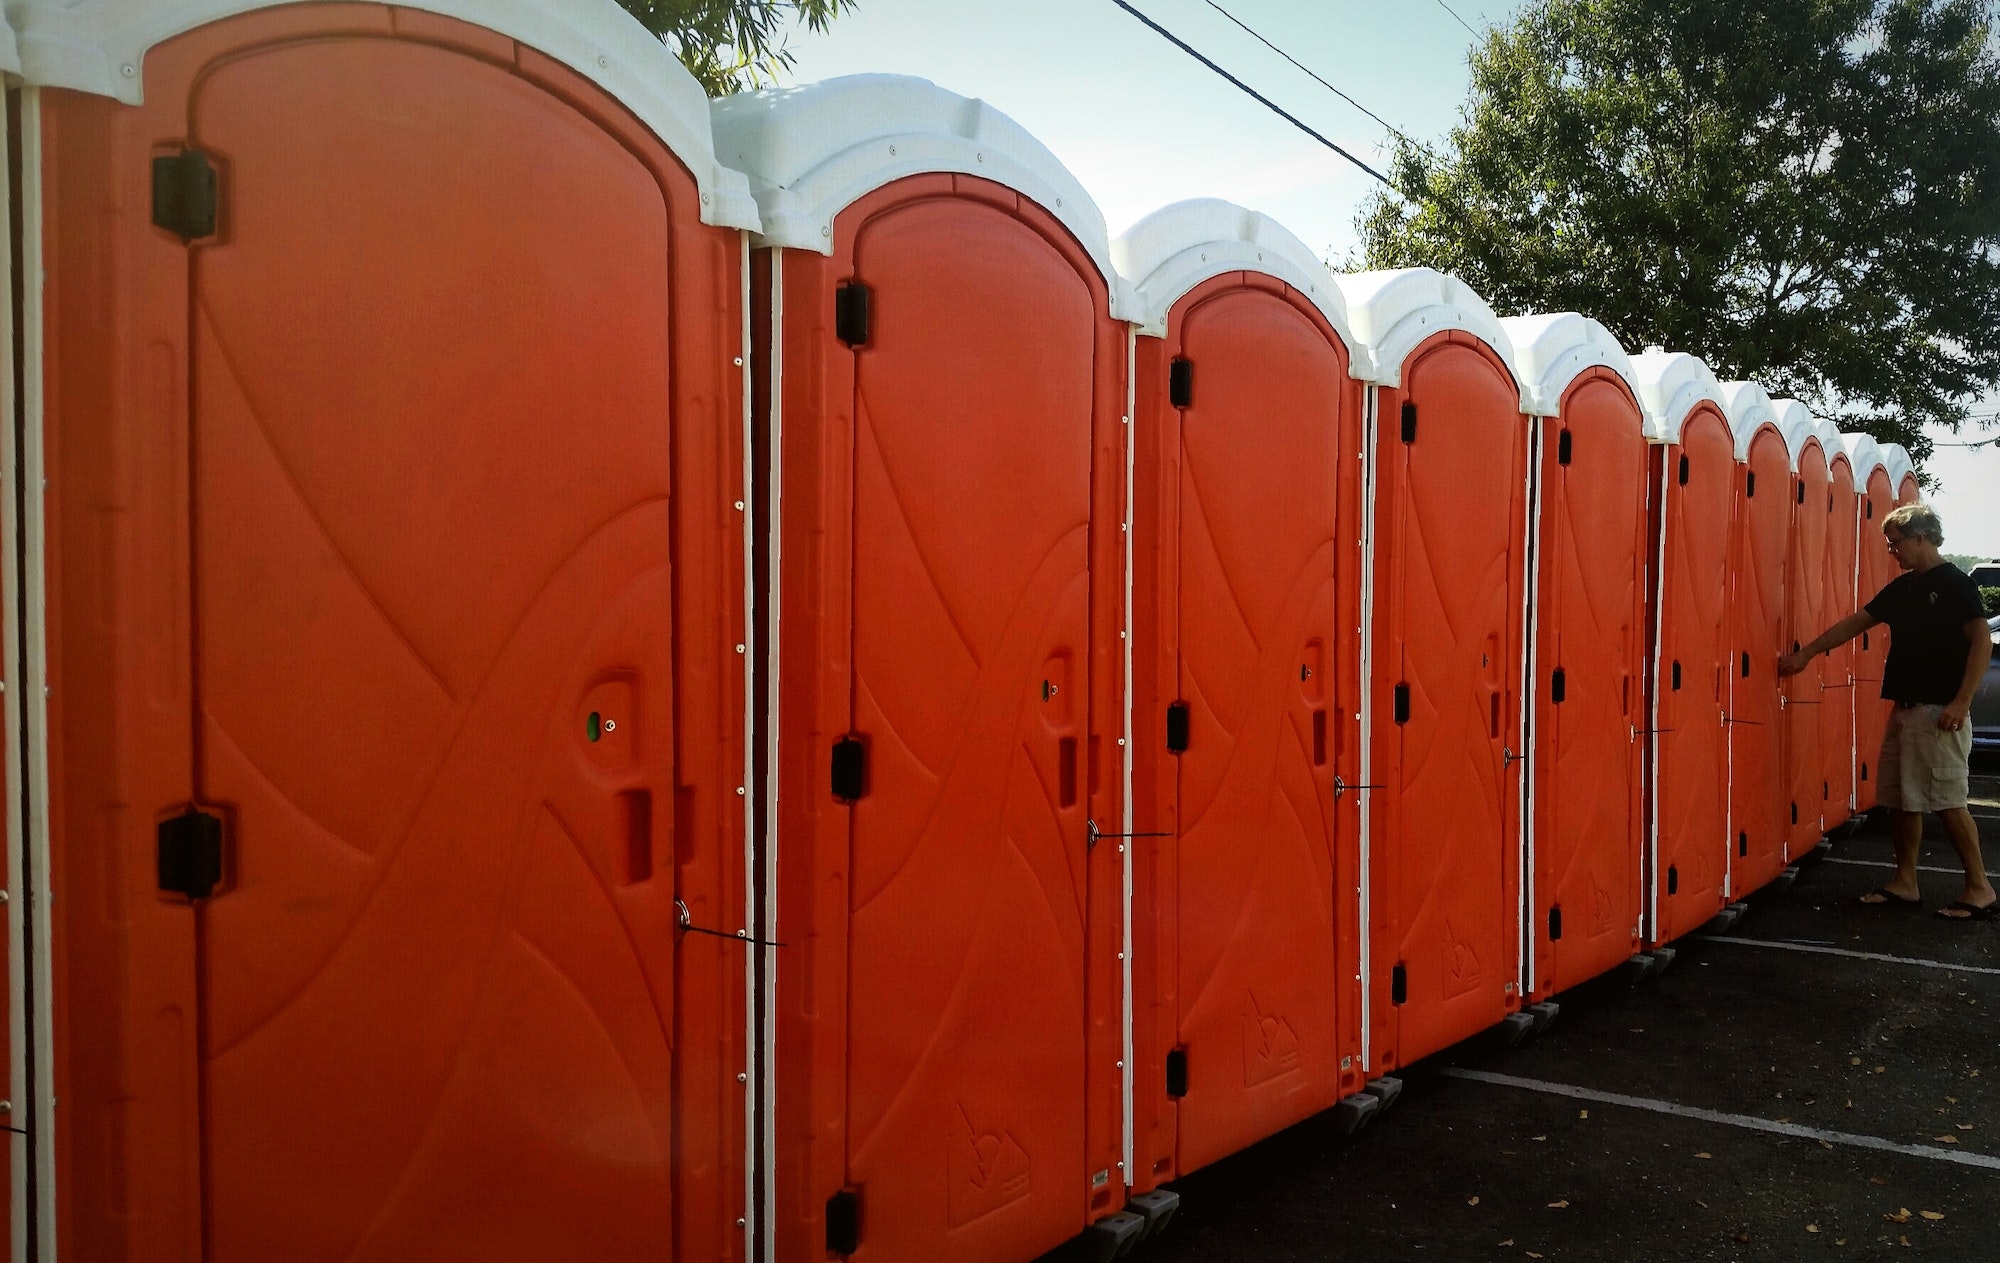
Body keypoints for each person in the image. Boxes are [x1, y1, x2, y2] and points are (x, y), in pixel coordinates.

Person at [1778, 502, 1994, 920]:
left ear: (1920, 537)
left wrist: (1961, 701)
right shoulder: (1905, 588)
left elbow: (1981, 642)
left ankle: (1980, 888)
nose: (1892, 551)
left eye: (1895, 543)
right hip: (1906, 710)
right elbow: (1856, 623)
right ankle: (1905, 882)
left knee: (1949, 801)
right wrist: (1807, 654)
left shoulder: (1953, 584)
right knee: (1901, 800)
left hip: (1939, 713)